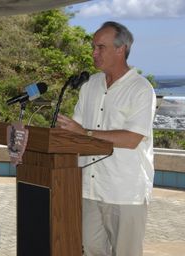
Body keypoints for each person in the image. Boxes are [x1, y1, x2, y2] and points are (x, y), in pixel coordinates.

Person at [56, 21, 156, 256]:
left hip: (124, 191)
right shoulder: (89, 85)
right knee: (90, 249)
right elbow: (75, 131)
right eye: (93, 46)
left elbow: (132, 139)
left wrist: (85, 133)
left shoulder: (141, 89)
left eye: (101, 47)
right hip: (89, 188)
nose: (94, 53)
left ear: (121, 50)